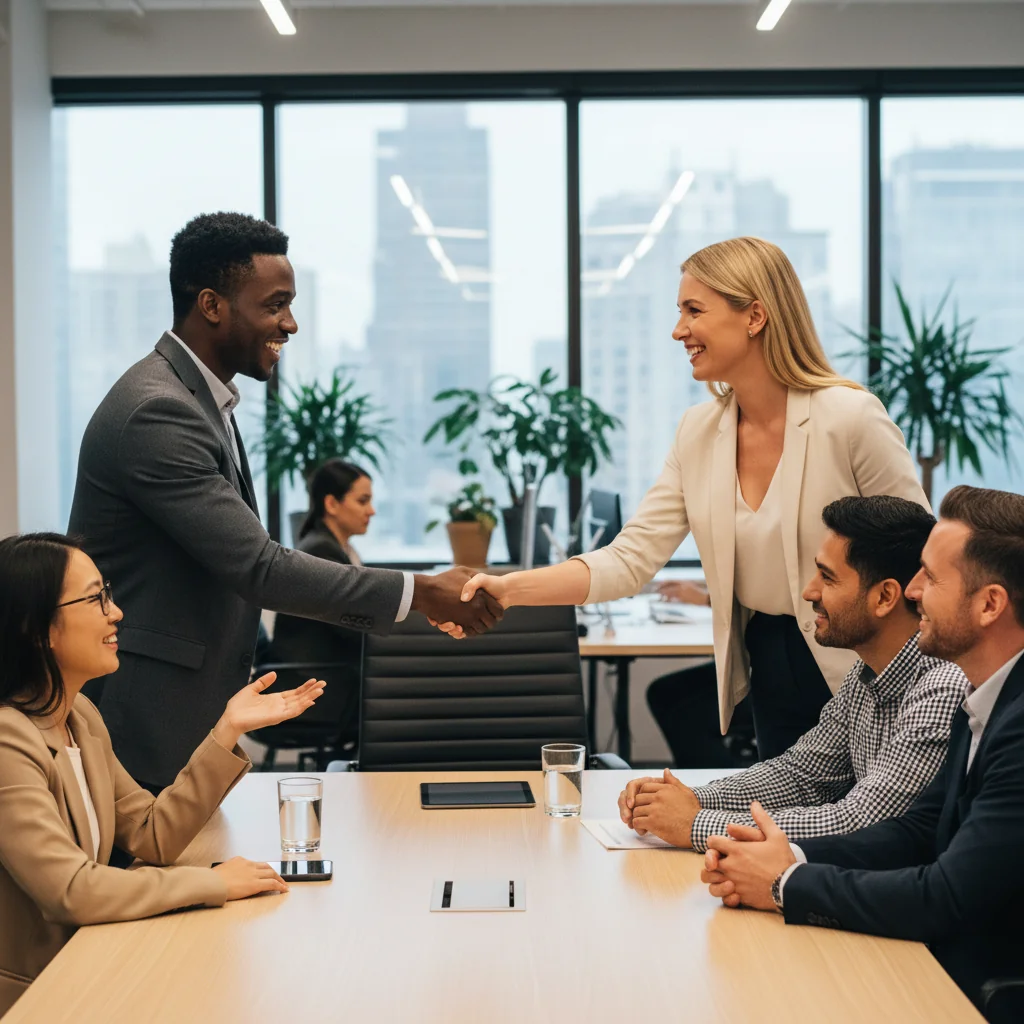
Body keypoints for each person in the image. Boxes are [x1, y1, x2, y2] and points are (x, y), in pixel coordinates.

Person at [68, 212, 501, 792]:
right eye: (275, 304)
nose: (290, 324)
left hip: (182, 698)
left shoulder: (197, 399)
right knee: (145, 877)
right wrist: (422, 592)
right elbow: (259, 566)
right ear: (213, 305)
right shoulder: (159, 410)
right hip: (148, 707)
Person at [456, 236, 927, 758]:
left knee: (870, 825)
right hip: (769, 658)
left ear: (754, 316)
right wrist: (509, 588)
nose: (679, 330)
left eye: (693, 310)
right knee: (787, 823)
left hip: (865, 660)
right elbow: (630, 559)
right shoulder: (699, 432)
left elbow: (916, 553)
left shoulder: (849, 417)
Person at [700, 486, 1024, 1011]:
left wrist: (786, 883)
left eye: (932, 578)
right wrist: (788, 858)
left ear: (990, 605)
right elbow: (918, 830)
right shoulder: (985, 691)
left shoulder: (1014, 721)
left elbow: (945, 897)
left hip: (975, 983)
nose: (914, 591)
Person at [0, 533, 326, 1017]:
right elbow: (71, 889)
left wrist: (227, 727)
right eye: (96, 599)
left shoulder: (80, 716)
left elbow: (153, 834)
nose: (116, 613)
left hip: (92, 964)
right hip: (38, 993)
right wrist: (215, 883)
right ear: (38, 628)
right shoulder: (8, 741)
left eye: (107, 594)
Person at [617, 495, 966, 850]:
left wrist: (695, 823)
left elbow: (862, 821)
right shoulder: (868, 674)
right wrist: (687, 798)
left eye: (828, 578)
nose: (809, 591)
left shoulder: (941, 686)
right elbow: (801, 775)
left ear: (884, 597)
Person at [264, 460, 376, 753]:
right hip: (318, 688)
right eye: (363, 501)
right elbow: (351, 626)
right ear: (332, 503)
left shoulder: (332, 548)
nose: (371, 511)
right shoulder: (320, 552)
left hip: (325, 680)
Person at [646, 579, 756, 767]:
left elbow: (758, 607)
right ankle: (692, 777)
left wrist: (705, 598)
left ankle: (717, 790)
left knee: (687, 718)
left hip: (778, 679)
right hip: (753, 665)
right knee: (661, 692)